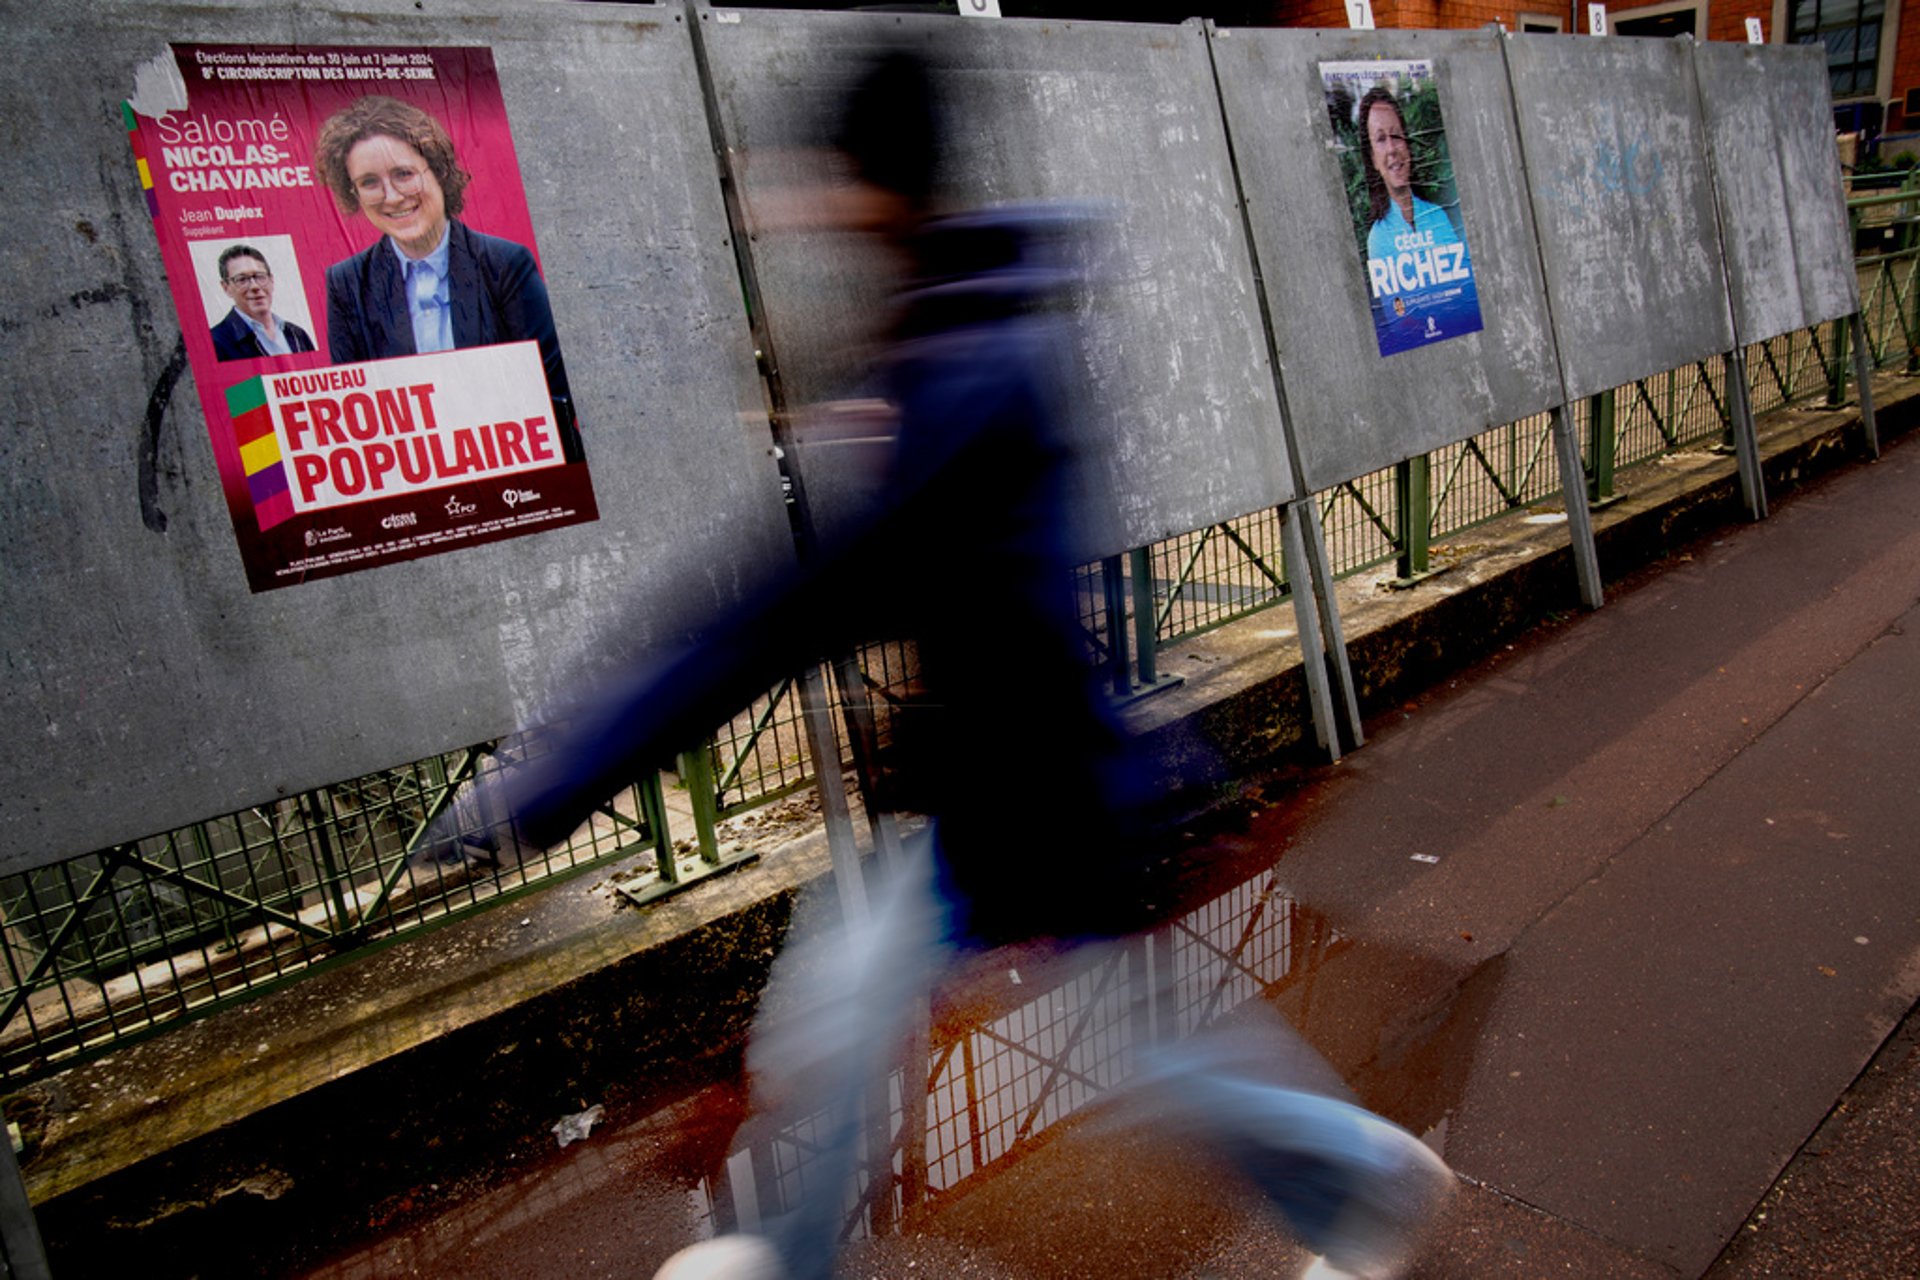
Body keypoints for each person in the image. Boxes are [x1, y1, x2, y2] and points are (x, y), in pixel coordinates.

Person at [446, 51, 1455, 1280]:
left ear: (872, 186)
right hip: (1005, 776)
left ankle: (1352, 1179)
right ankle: (787, 1248)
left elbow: (791, 608)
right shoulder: (956, 326)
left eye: (816, 178)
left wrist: (551, 785)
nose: (795, 205)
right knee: (851, 1010)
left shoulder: (961, 370)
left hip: (1033, 792)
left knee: (1090, 1046)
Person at [313, 95, 581, 461]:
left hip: (513, 466)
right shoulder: (345, 283)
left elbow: (557, 394)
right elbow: (355, 413)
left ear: (436, 171)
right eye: (369, 182)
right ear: (354, 193)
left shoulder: (504, 263)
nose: (391, 196)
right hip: (416, 476)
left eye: (404, 174)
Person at [208, 244, 315, 362]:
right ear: (226, 288)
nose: (255, 286)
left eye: (260, 276)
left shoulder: (297, 334)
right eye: (242, 279)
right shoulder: (215, 343)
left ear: (271, 280)